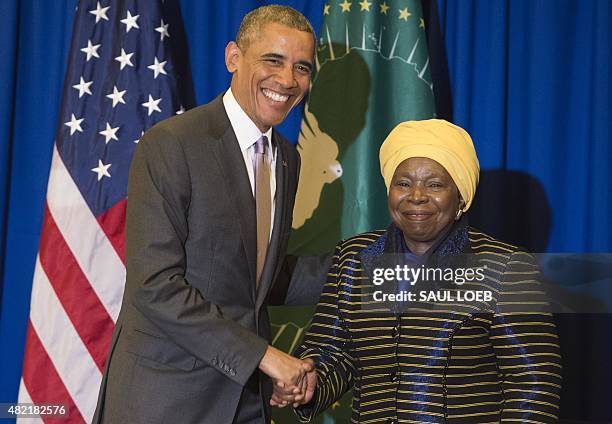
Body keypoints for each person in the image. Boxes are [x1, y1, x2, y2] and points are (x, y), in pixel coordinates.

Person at [93, 5, 326, 424]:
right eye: (273, 60)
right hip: (166, 400)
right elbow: (155, 285)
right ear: (234, 57)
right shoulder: (171, 144)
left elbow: (252, 279)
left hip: (246, 402)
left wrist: (381, 269)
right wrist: (266, 357)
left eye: (302, 68)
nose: (288, 81)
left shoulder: (287, 158)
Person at [277, 119, 562, 422]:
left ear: (461, 198)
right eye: (403, 183)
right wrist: (309, 382)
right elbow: (335, 350)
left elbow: (534, 384)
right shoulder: (354, 257)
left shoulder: (504, 266)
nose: (416, 195)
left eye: (435, 184)